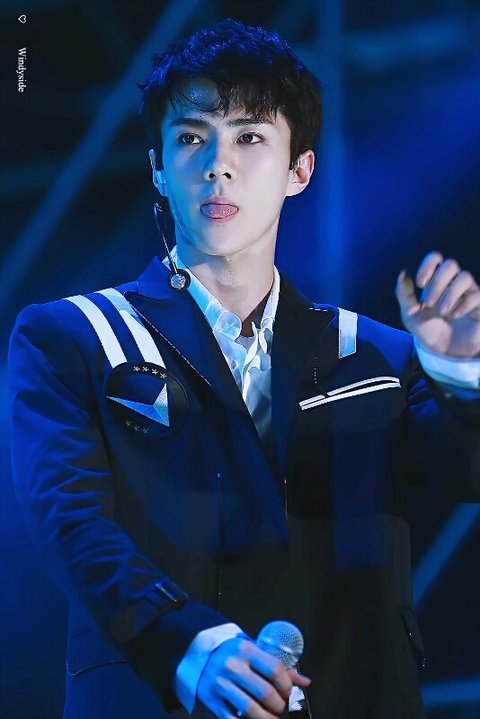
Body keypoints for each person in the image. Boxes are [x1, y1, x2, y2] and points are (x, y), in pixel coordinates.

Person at [8, 17, 480, 719]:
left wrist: (459, 370)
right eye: (191, 138)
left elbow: (466, 473)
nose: (217, 164)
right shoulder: (72, 336)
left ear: (299, 170)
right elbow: (71, 525)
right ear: (158, 169)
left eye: (249, 137)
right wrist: (192, 643)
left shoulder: (377, 353)